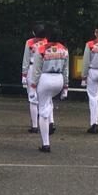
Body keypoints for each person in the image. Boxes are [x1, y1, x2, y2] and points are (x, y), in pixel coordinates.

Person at [30, 25, 70, 153]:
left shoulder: (41, 49)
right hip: (58, 80)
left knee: (42, 111)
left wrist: (33, 86)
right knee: (49, 102)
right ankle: (51, 122)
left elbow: (36, 70)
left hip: (45, 78)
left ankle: (45, 143)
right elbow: (66, 70)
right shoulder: (64, 49)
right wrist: (65, 87)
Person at [21, 23, 49, 135]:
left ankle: (34, 125)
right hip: (45, 69)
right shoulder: (48, 43)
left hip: (32, 69)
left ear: (34, 33)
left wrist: (23, 74)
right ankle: (49, 122)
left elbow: (26, 59)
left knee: (32, 97)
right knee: (46, 98)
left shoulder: (30, 42)